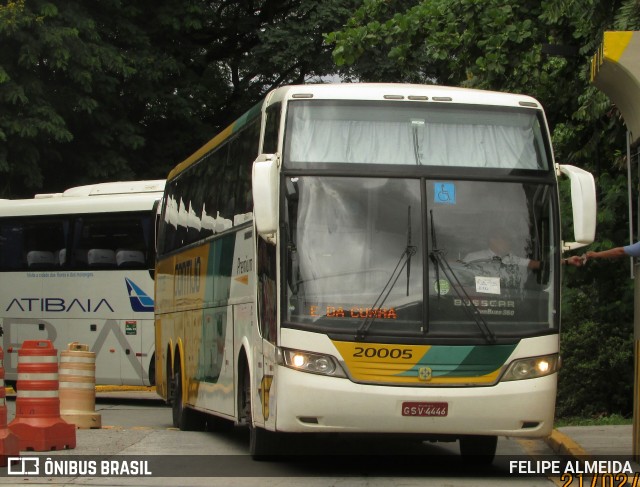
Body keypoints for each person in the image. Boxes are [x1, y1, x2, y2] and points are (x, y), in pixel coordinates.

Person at [464, 235, 584, 268]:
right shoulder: (473, 257)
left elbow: (536, 264)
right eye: (504, 239)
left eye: (508, 240)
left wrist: (567, 261)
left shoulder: (511, 259)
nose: (508, 242)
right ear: (493, 240)